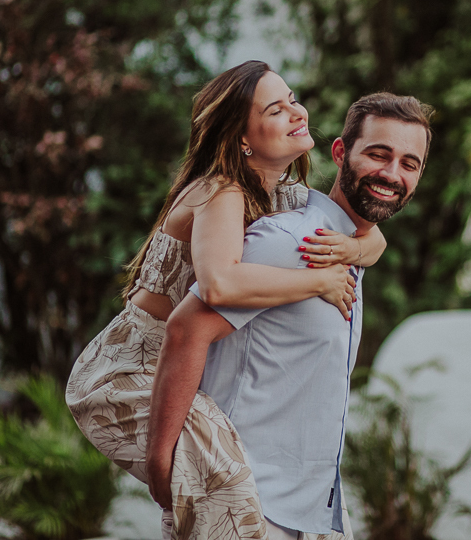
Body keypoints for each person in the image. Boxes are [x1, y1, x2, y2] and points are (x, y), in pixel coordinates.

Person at [65, 61, 387, 539]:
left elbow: (374, 238)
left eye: (292, 100)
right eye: (276, 110)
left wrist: (353, 250)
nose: (298, 112)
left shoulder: (282, 195)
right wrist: (319, 282)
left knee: (234, 494)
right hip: (128, 374)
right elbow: (219, 284)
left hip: (178, 372)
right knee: (231, 489)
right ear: (242, 138)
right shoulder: (221, 190)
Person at [145, 93, 433, 540]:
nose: (392, 174)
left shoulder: (346, 248)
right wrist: (161, 464)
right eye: (379, 154)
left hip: (309, 512)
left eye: (409, 164)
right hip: (242, 505)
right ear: (341, 153)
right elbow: (187, 328)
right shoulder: (292, 241)